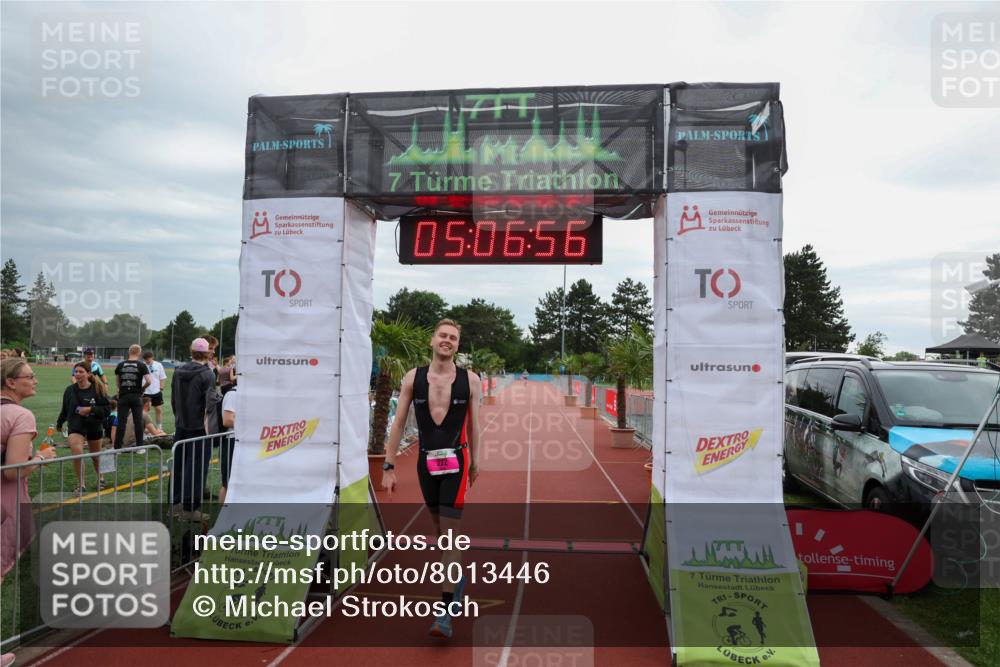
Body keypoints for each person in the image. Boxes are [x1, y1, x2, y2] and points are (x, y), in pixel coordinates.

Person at [382, 319, 481, 639]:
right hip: (426, 464)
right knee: (441, 534)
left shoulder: (471, 380)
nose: (447, 340)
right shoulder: (413, 378)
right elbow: (398, 424)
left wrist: (476, 462)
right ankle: (458, 578)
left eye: (453, 337)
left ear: (458, 345)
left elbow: (474, 425)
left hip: (456, 463)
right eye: (443, 335)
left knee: (449, 536)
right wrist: (388, 466)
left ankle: (445, 614)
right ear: (432, 340)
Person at [2, 359, 58, 667]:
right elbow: (13, 470)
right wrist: (41, 457)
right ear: (11, 382)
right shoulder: (20, 415)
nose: (35, 380)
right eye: (30, 376)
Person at [171, 338, 216, 520]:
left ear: (191, 352)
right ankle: (190, 509)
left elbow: (174, 400)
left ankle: (175, 505)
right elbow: (210, 405)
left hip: (181, 425)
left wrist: (179, 418)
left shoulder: (178, 371)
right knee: (196, 469)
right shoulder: (208, 374)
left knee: (178, 466)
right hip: (199, 427)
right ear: (207, 353)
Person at [57, 363, 112, 493]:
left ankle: (101, 478)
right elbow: (65, 409)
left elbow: (107, 410)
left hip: (94, 425)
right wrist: (59, 423)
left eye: (81, 372)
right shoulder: (69, 390)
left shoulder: (98, 389)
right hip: (76, 426)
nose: (77, 374)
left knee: (95, 457)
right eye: (76, 372)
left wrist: (90, 409)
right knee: (77, 453)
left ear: (89, 374)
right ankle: (81, 484)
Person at [114, 345, 152, 450]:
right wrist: (142, 389)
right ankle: (139, 447)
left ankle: (117, 448)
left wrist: (120, 389)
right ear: (139, 353)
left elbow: (117, 381)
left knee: (121, 422)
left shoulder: (120, 365)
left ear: (129, 352)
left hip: (123, 396)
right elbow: (149, 381)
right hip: (136, 396)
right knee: (138, 422)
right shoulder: (141, 365)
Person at [218, 377, 237, 505]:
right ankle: (222, 514)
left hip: (239, 441)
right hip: (231, 441)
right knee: (228, 483)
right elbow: (227, 420)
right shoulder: (232, 394)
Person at [142, 351, 168, 429]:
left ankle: (159, 427)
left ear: (152, 357)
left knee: (158, 410)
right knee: (145, 411)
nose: (147, 361)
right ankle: (145, 428)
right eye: (146, 360)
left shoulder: (158, 365)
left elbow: (162, 377)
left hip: (156, 391)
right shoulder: (142, 365)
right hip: (145, 392)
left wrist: (161, 388)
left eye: (148, 359)